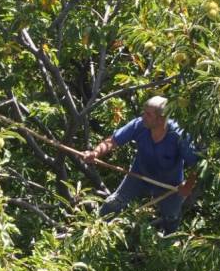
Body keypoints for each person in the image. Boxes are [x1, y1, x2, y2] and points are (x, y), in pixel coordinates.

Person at [82, 96, 200, 233]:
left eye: (148, 114)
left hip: (170, 185)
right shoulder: (139, 125)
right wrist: (95, 153)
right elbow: (113, 141)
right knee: (114, 202)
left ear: (161, 119)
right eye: (144, 112)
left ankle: (169, 244)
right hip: (138, 175)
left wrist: (188, 186)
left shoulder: (179, 136)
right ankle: (94, 229)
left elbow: (197, 164)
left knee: (171, 216)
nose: (143, 116)